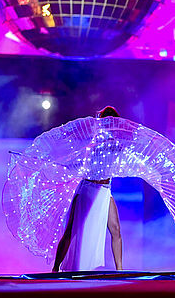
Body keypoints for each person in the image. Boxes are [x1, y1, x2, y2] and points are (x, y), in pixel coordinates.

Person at [52, 106, 123, 272]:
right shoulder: (95, 141)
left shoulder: (117, 143)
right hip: (89, 190)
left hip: (105, 190)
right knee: (73, 230)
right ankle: (56, 268)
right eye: (108, 121)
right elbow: (88, 162)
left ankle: (120, 270)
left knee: (116, 229)